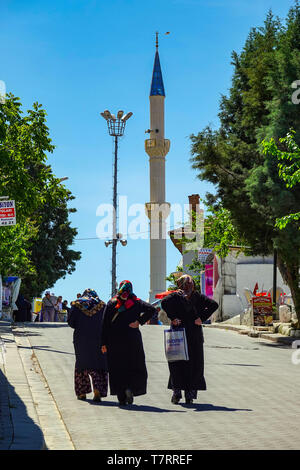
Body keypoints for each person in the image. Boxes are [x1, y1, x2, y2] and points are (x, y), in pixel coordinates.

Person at [161, 274, 218, 405]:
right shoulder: (175, 296)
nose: (188, 286)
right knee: (177, 364)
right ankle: (179, 393)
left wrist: (201, 318)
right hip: (181, 335)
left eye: (189, 284)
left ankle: (187, 394)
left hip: (191, 335)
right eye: (186, 284)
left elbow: (214, 305)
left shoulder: (196, 297)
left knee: (192, 364)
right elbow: (163, 303)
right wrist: (173, 317)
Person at [101, 280, 157, 406]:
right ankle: (130, 388)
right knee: (134, 365)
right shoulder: (136, 302)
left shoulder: (112, 303)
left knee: (117, 367)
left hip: (114, 341)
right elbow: (152, 309)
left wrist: (103, 343)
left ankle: (121, 396)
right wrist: (140, 321)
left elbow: (104, 324)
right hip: (132, 339)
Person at [68, 289, 108, 402]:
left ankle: (82, 393)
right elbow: (107, 323)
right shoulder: (102, 305)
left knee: (81, 365)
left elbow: (71, 322)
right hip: (98, 339)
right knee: (98, 364)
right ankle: (98, 390)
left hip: (81, 339)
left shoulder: (77, 304)